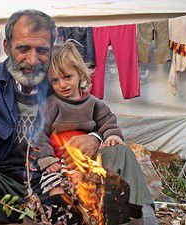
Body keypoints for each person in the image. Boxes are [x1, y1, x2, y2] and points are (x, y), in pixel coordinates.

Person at [0, 9, 156, 225]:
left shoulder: (60, 82)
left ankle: (143, 219)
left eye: (42, 50)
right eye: (23, 49)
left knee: (119, 154)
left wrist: (94, 137)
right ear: (7, 46)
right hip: (0, 191)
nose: (32, 60)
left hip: (57, 191)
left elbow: (95, 114)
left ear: (52, 49)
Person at [32, 41, 124, 195]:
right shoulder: (50, 104)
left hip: (89, 160)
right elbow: (38, 133)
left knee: (96, 188)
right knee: (53, 184)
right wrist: (46, 158)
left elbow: (108, 122)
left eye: (67, 77)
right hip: (60, 161)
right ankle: (57, 210)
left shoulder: (93, 103)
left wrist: (112, 136)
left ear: (80, 73)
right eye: (55, 80)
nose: (62, 85)